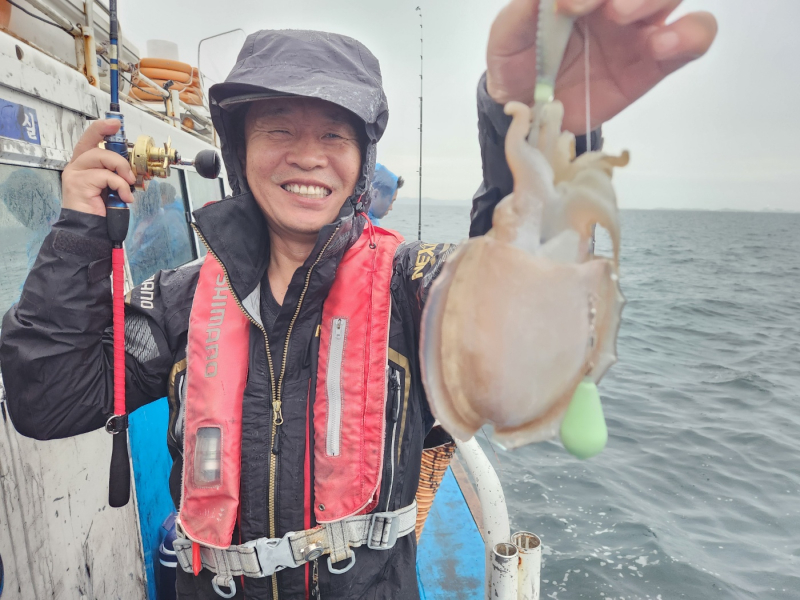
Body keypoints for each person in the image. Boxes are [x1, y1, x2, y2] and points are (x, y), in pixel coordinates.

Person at [0, 1, 716, 598]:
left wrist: (528, 121)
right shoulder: (183, 299)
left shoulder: (413, 287)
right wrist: (78, 234)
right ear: (240, 147)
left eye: (334, 135)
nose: (308, 156)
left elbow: (526, 325)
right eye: (279, 129)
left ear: (362, 158)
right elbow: (48, 398)